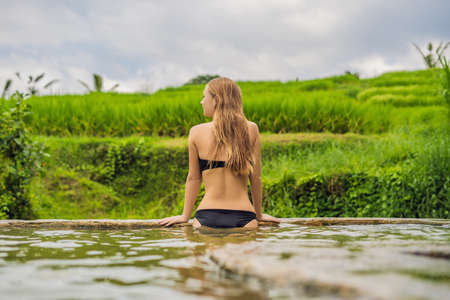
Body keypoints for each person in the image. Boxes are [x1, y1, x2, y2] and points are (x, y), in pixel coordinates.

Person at [159, 77, 280, 229]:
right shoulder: (251, 129)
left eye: (204, 96)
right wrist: (259, 215)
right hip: (244, 216)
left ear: (216, 100)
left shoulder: (196, 132)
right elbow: (256, 178)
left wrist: (185, 216)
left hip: (206, 216)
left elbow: (194, 178)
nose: (202, 102)